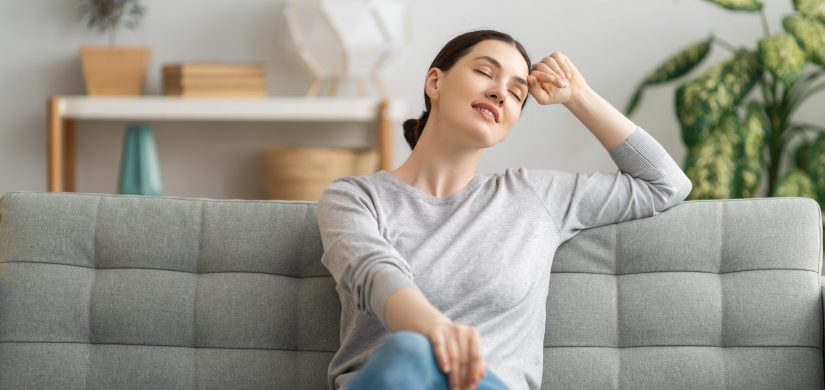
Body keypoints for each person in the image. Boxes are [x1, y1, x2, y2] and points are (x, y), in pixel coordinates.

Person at [317, 29, 692, 390]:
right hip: (391, 379)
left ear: (510, 123)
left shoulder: (536, 197)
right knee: (409, 353)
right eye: (484, 72)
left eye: (516, 93)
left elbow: (666, 184)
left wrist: (578, 95)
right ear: (435, 82)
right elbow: (372, 272)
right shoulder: (353, 197)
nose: (499, 92)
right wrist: (433, 330)